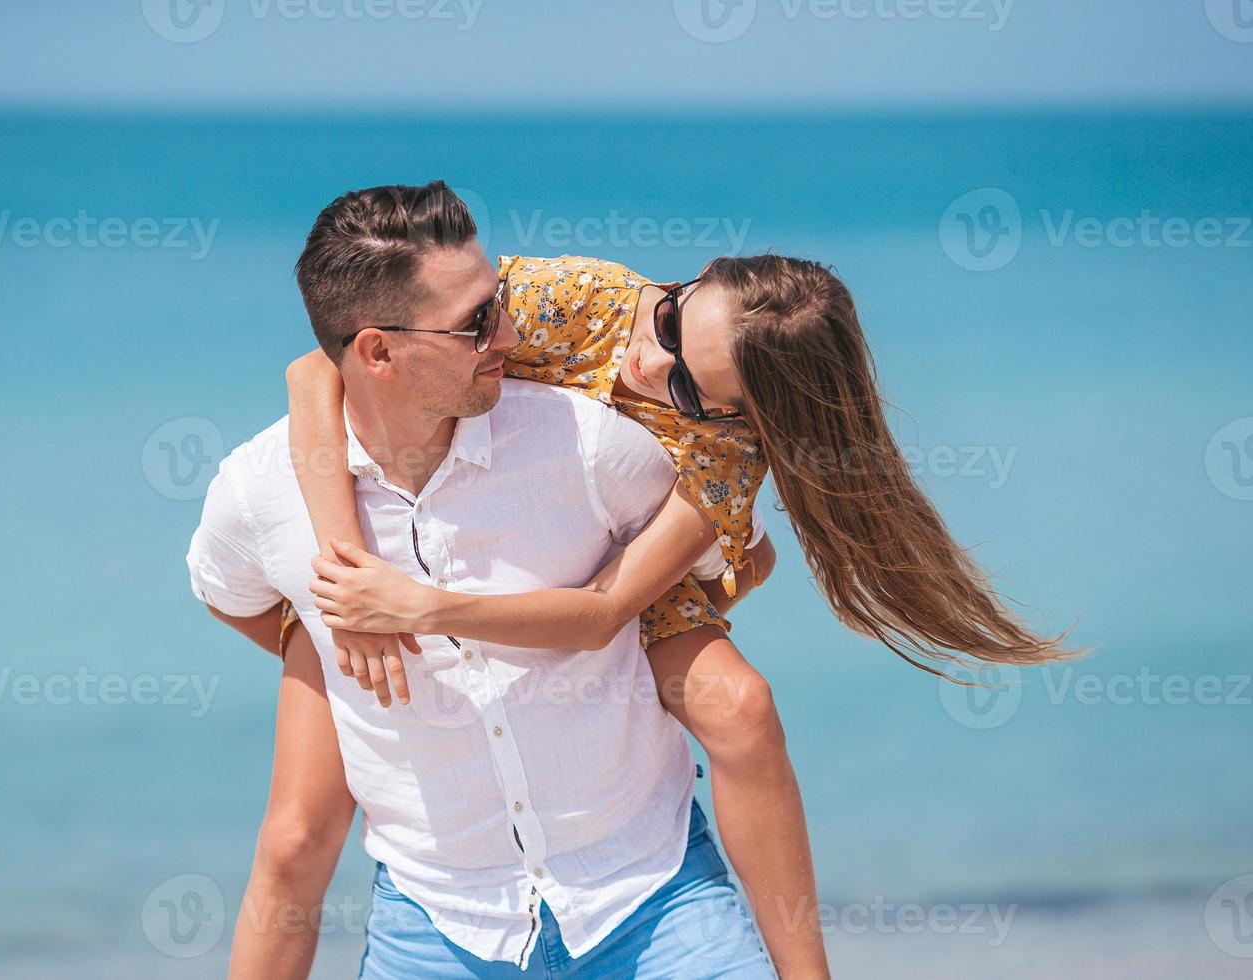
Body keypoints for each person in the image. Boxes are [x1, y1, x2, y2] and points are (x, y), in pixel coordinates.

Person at [275, 183, 1074, 974]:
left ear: (744, 416)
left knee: (743, 711)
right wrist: (349, 578)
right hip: (523, 524)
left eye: (688, 386)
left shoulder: (729, 452)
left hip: (623, 564)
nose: (647, 361)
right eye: (669, 321)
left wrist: (422, 607)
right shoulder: (581, 296)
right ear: (687, 284)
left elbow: (607, 609)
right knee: (294, 834)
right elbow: (317, 366)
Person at [188, 181, 795, 979]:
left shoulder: (590, 444)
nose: (509, 330)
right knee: (293, 838)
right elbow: (228, 591)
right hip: (439, 924)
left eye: (498, 303)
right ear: (376, 352)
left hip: (649, 894)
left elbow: (737, 555)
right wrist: (336, 631)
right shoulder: (258, 489)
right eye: (478, 322)